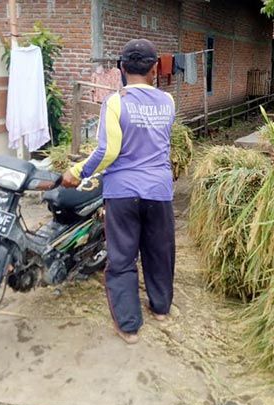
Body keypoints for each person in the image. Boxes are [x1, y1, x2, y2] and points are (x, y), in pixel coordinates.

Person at [62, 39, 176, 345]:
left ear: (121, 68)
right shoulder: (169, 102)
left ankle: (128, 327)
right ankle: (161, 308)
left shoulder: (115, 102)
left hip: (123, 191)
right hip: (159, 190)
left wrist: (77, 172)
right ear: (155, 68)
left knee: (123, 256)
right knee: (159, 251)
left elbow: (108, 150)